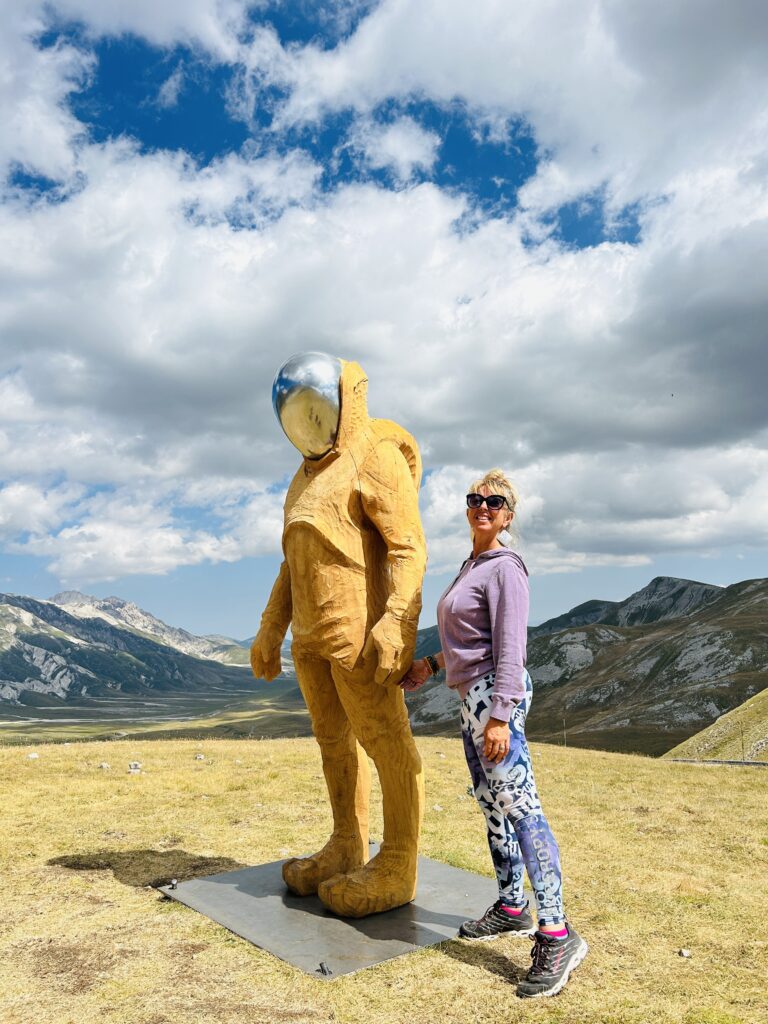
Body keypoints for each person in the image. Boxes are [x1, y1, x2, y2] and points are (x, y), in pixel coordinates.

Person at [400, 468, 588, 998]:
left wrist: (502, 716)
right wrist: (433, 665)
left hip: (494, 700)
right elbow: (471, 639)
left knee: (521, 806)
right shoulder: (473, 565)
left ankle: (557, 933)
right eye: (475, 499)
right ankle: (512, 905)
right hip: (472, 697)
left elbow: (510, 647)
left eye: (495, 501)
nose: (483, 506)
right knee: (492, 805)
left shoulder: (506, 567)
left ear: (508, 515)